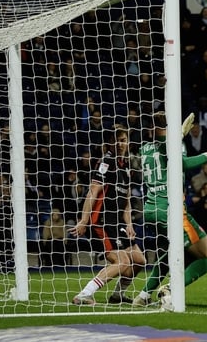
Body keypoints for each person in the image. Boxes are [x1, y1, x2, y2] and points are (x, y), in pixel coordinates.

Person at [132, 112, 207, 307]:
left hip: (150, 210)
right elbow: (183, 164)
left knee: (168, 255)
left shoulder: (144, 148)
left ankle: (144, 295)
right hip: (171, 210)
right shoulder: (175, 144)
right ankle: (171, 289)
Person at [70, 128, 146, 305]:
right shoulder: (106, 162)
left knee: (140, 261)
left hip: (118, 223)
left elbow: (126, 201)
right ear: (110, 143)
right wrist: (83, 220)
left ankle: (117, 294)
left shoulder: (126, 167)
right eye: (118, 140)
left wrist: (129, 224)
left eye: (124, 140)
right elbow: (92, 192)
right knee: (122, 262)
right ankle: (84, 294)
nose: (121, 144)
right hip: (101, 221)